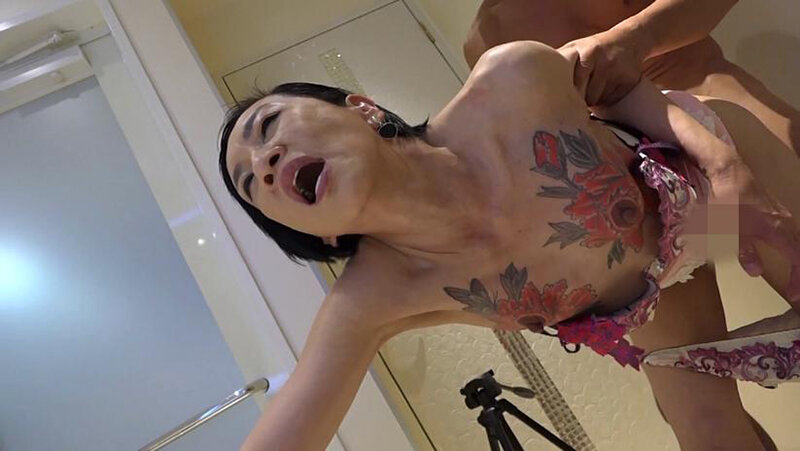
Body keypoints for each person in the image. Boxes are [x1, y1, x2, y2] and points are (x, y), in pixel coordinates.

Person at [219, 42, 800, 450]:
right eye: (251, 184)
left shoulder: (508, 78)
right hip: (653, 288)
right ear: (315, 233)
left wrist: (724, 167)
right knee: (711, 433)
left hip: (713, 170)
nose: (265, 162)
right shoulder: (374, 298)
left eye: (267, 127)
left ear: (362, 108)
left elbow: (621, 89)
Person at [464, 0, 800, 158]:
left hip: (725, 105)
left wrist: (637, 38)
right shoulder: (487, 43)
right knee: (720, 262)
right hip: (656, 180)